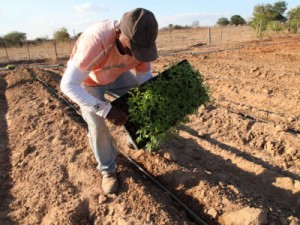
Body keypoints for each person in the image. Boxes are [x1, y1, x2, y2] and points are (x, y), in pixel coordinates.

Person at [60, 8, 158, 194]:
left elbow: (145, 79)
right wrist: (106, 110)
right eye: (134, 48)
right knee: (97, 125)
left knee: (142, 98)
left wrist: (149, 103)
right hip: (90, 81)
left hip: (118, 75)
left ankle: (134, 138)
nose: (138, 54)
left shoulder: (144, 44)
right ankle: (107, 171)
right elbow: (68, 85)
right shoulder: (96, 40)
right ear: (119, 33)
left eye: (143, 50)